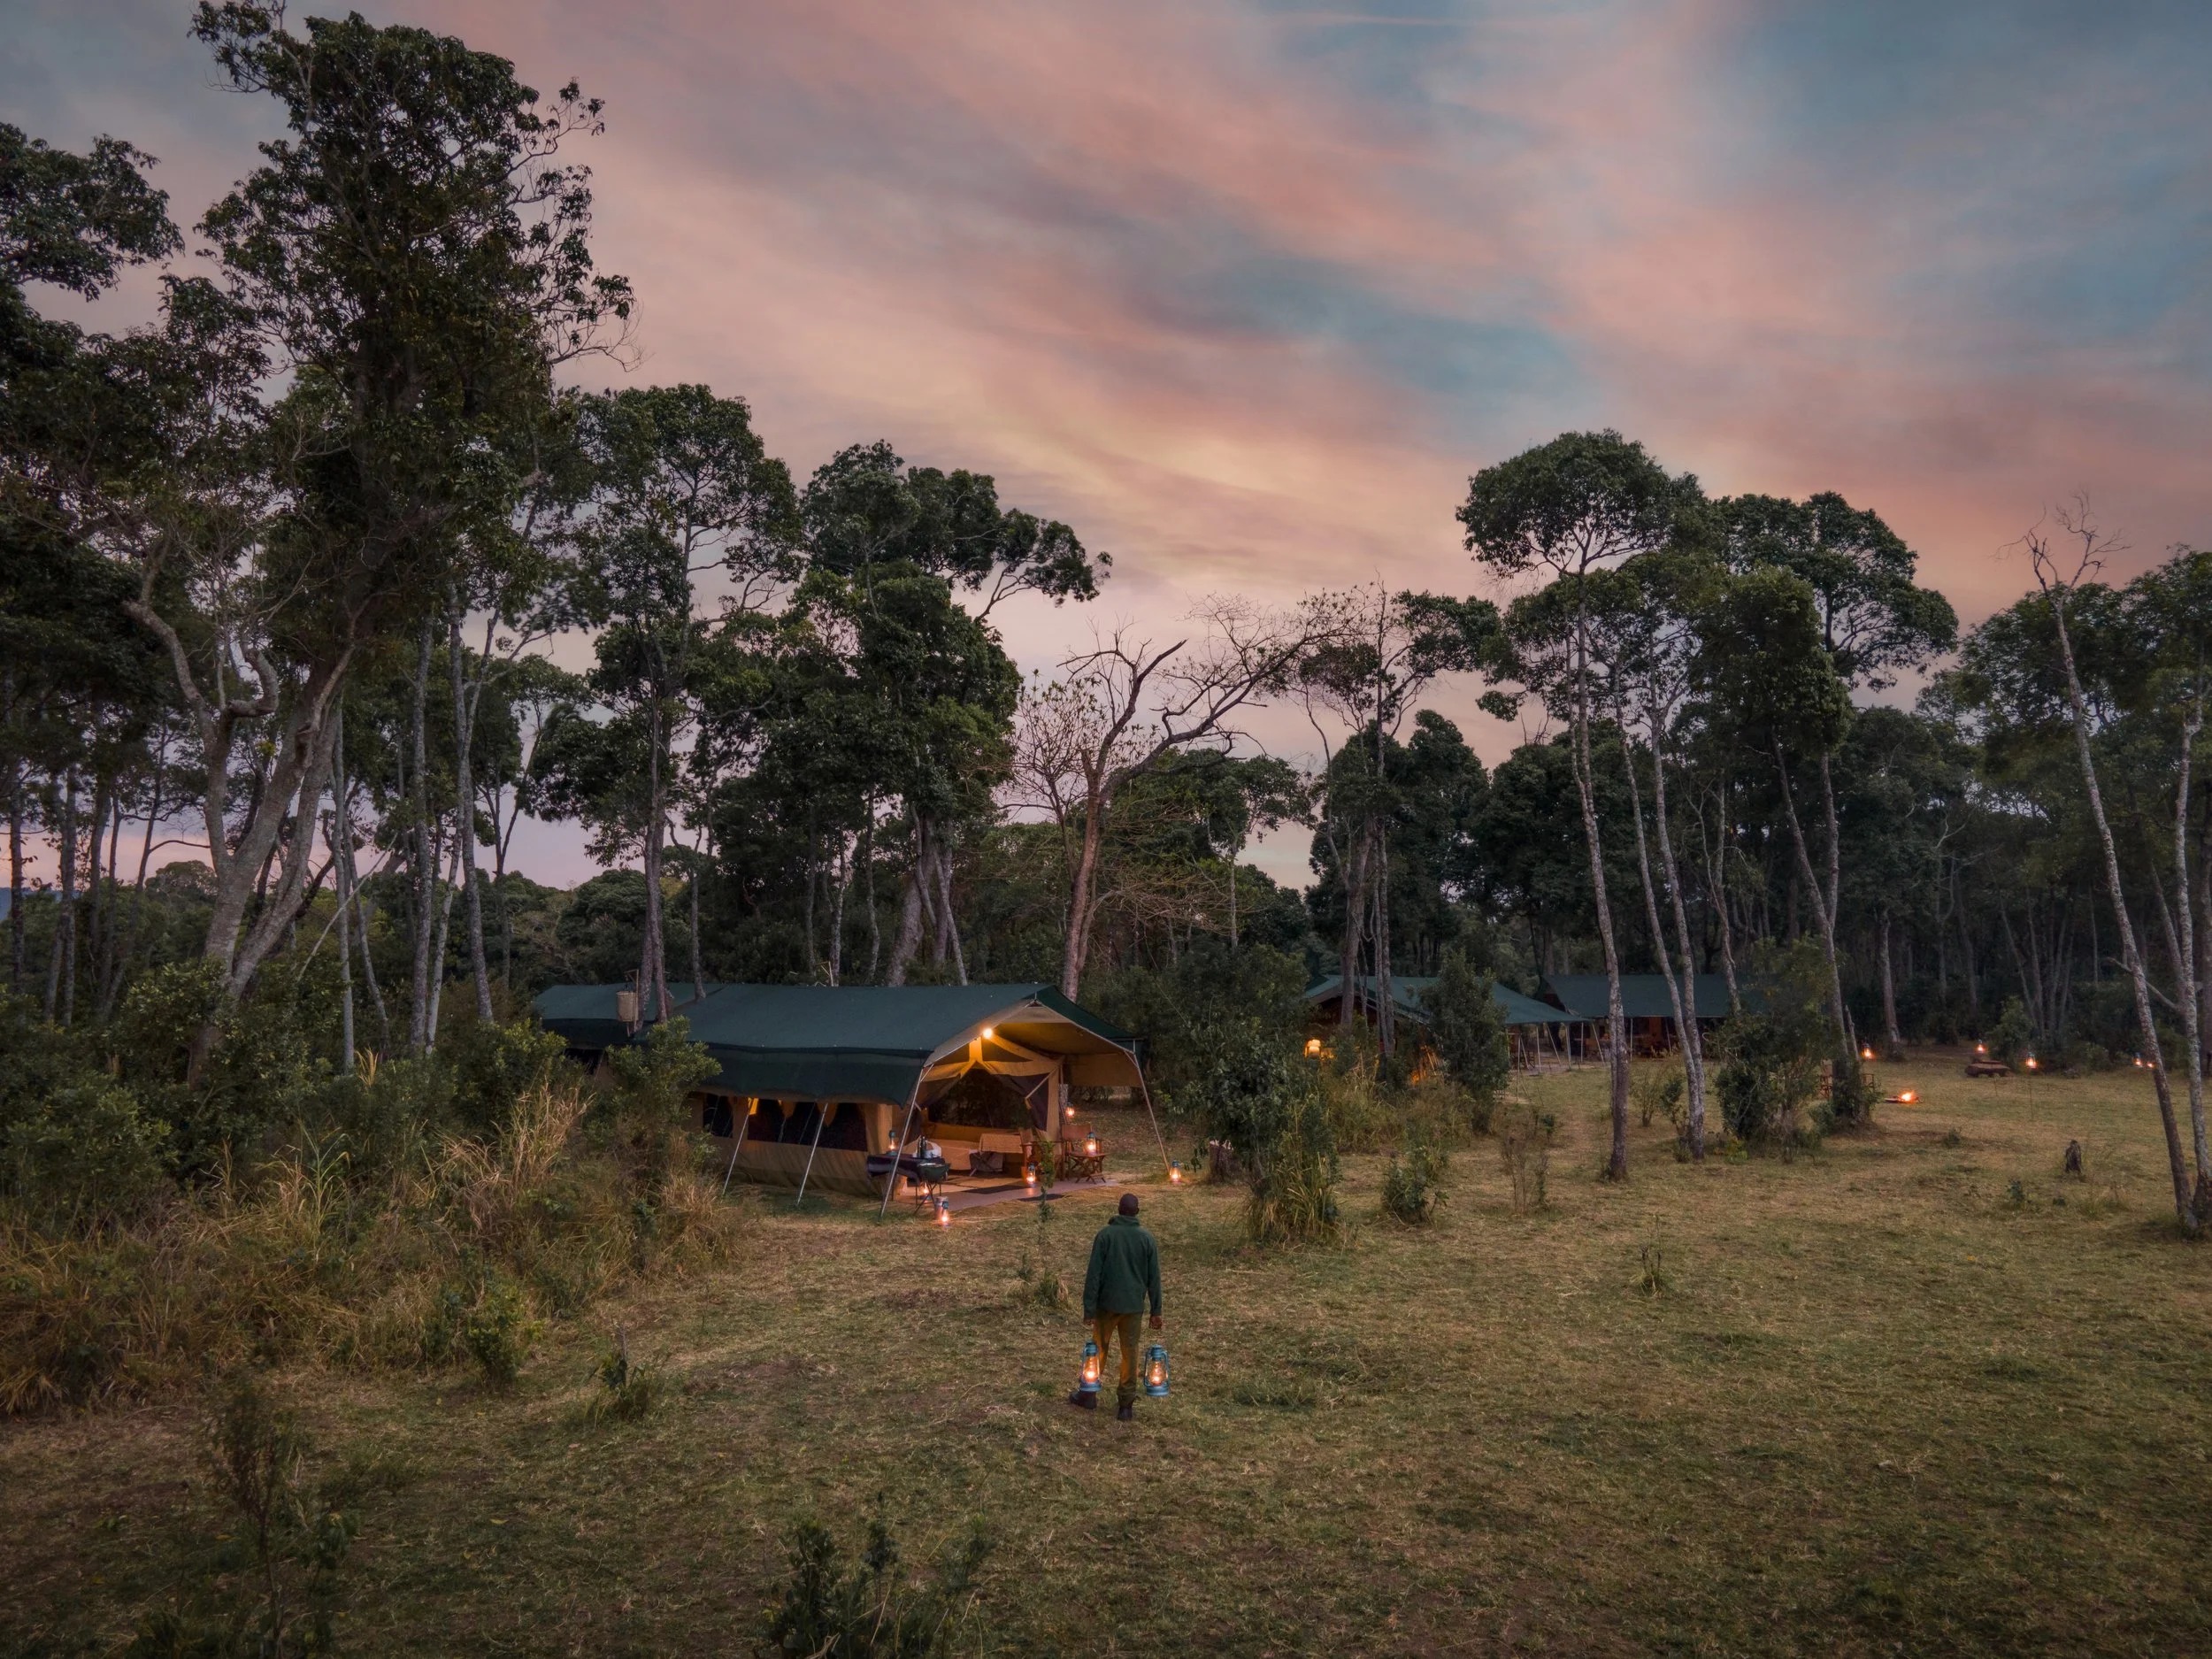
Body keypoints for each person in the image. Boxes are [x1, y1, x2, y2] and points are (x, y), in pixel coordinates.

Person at [1073, 1191, 1163, 1421]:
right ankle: (1126, 1405)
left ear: (1119, 1210)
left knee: (1098, 1349)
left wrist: (1089, 1308)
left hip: (1106, 1305)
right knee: (1130, 1353)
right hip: (1133, 1307)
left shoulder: (1105, 1235)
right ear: (1137, 1212)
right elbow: (1154, 1278)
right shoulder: (1146, 1239)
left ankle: (1089, 1394)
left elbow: (1093, 1274)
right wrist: (1156, 1311)